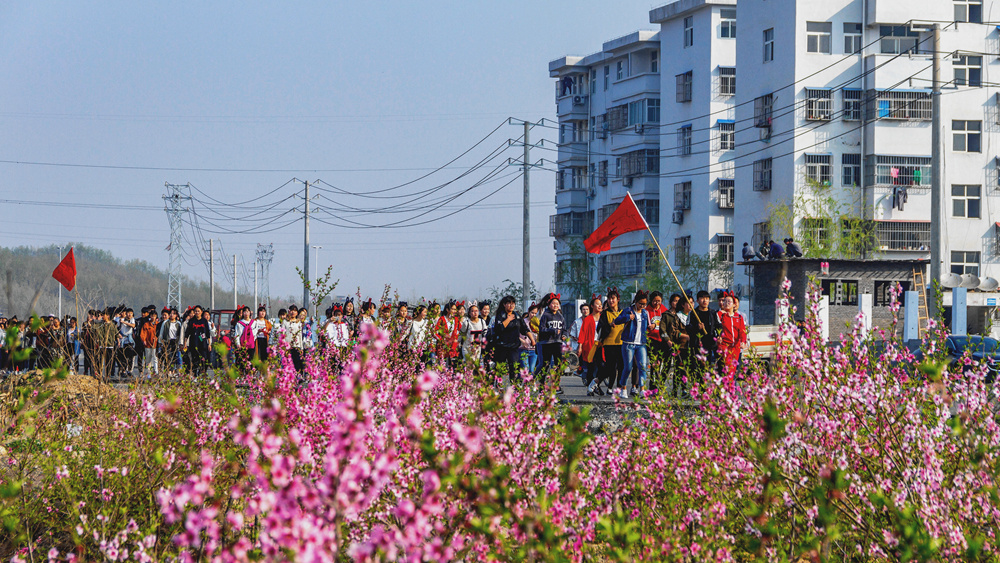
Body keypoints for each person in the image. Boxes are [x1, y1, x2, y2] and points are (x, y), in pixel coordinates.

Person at [614, 290, 651, 399]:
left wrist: (651, 327)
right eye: (640, 304)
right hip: (628, 343)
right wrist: (627, 318)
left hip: (641, 344)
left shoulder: (645, 313)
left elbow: (646, 327)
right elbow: (617, 321)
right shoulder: (628, 310)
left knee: (643, 367)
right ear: (635, 302)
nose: (642, 306)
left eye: (644, 304)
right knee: (628, 367)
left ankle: (642, 390)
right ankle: (623, 388)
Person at [490, 295, 529, 384]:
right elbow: (499, 329)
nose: (511, 306)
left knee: (514, 367)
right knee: (500, 367)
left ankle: (514, 384)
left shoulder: (517, 315)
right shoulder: (500, 315)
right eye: (509, 304)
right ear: (504, 304)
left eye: (513, 304)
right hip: (501, 346)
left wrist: (532, 340)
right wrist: (508, 319)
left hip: (514, 346)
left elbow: (524, 329)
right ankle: (496, 384)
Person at [660, 297, 693, 398]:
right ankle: (668, 390)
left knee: (686, 369)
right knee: (673, 368)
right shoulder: (675, 316)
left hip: (690, 347)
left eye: (692, 302)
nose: (691, 305)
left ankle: (684, 390)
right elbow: (672, 331)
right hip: (678, 346)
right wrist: (670, 340)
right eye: (688, 303)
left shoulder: (694, 316)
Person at [595, 288, 624, 395]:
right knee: (611, 367)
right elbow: (599, 329)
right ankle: (610, 387)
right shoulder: (605, 314)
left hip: (621, 344)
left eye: (613, 298)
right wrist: (609, 325)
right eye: (609, 299)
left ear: (618, 299)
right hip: (609, 344)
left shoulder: (623, 313)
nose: (611, 301)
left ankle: (619, 387)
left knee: (621, 367)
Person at [535, 293, 565, 390]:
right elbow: (542, 329)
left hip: (558, 342)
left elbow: (564, 328)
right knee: (545, 364)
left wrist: (564, 335)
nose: (555, 305)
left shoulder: (560, 316)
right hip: (547, 343)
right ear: (549, 304)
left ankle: (556, 384)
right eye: (553, 303)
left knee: (558, 364)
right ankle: (541, 384)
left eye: (557, 303)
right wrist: (552, 330)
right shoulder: (545, 315)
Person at [715, 291, 748, 379]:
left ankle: (730, 390)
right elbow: (716, 328)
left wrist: (743, 342)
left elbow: (742, 331)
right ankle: (725, 389)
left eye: (729, 301)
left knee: (732, 371)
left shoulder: (739, 317)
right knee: (726, 369)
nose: (726, 303)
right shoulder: (720, 315)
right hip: (724, 346)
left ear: (734, 304)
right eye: (724, 301)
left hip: (735, 348)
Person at [580, 296, 603, 396]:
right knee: (591, 368)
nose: (599, 306)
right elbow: (583, 332)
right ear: (592, 306)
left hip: (601, 346)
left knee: (602, 367)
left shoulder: (603, 318)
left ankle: (596, 385)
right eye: (597, 304)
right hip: (590, 346)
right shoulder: (588, 319)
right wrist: (580, 346)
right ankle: (590, 388)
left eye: (600, 304)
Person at [140, 310, 158, 378]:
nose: (153, 317)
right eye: (151, 316)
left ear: (156, 316)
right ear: (150, 316)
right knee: (148, 359)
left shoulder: (158, 324)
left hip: (155, 345)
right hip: (148, 345)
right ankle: (149, 373)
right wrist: (143, 340)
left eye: (154, 316)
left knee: (155, 358)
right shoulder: (146, 324)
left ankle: (156, 372)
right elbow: (143, 333)